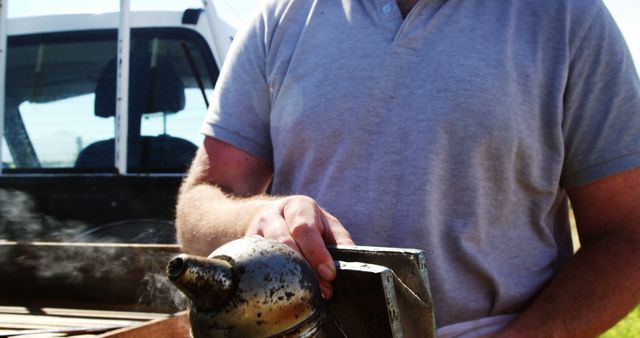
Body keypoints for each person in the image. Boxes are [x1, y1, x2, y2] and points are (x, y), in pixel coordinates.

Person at [175, 0, 640, 336]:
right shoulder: (281, 16)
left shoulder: (568, 17)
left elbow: (628, 235)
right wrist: (255, 219)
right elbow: (199, 202)